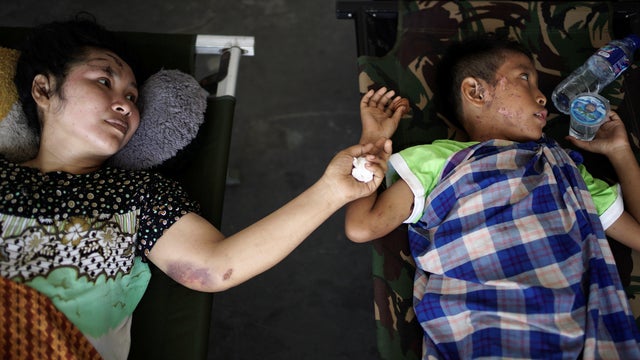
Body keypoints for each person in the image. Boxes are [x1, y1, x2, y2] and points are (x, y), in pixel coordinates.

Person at [0, 17, 404, 359]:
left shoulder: (139, 195)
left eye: (132, 95)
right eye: (104, 81)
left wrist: (331, 190)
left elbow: (213, 266)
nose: (125, 104)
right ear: (43, 89)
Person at [346, 34, 640, 358]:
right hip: (481, 324)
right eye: (525, 78)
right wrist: (372, 143)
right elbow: (362, 226)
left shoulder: (566, 168)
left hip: (567, 329)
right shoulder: (437, 161)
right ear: (476, 91)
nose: (542, 97)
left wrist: (620, 152)